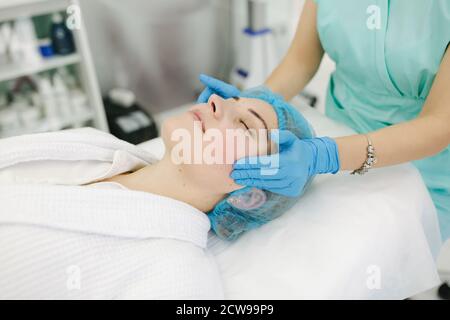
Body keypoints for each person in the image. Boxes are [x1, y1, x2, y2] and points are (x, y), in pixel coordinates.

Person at [0, 90, 313, 298]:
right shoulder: (90, 144)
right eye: (231, 99)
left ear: (248, 196)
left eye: (245, 125)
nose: (216, 99)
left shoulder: (178, 278)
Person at [198, 0, 450, 241]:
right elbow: (300, 62)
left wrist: (323, 156)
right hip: (337, 132)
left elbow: (438, 125)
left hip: (422, 167)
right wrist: (251, 102)